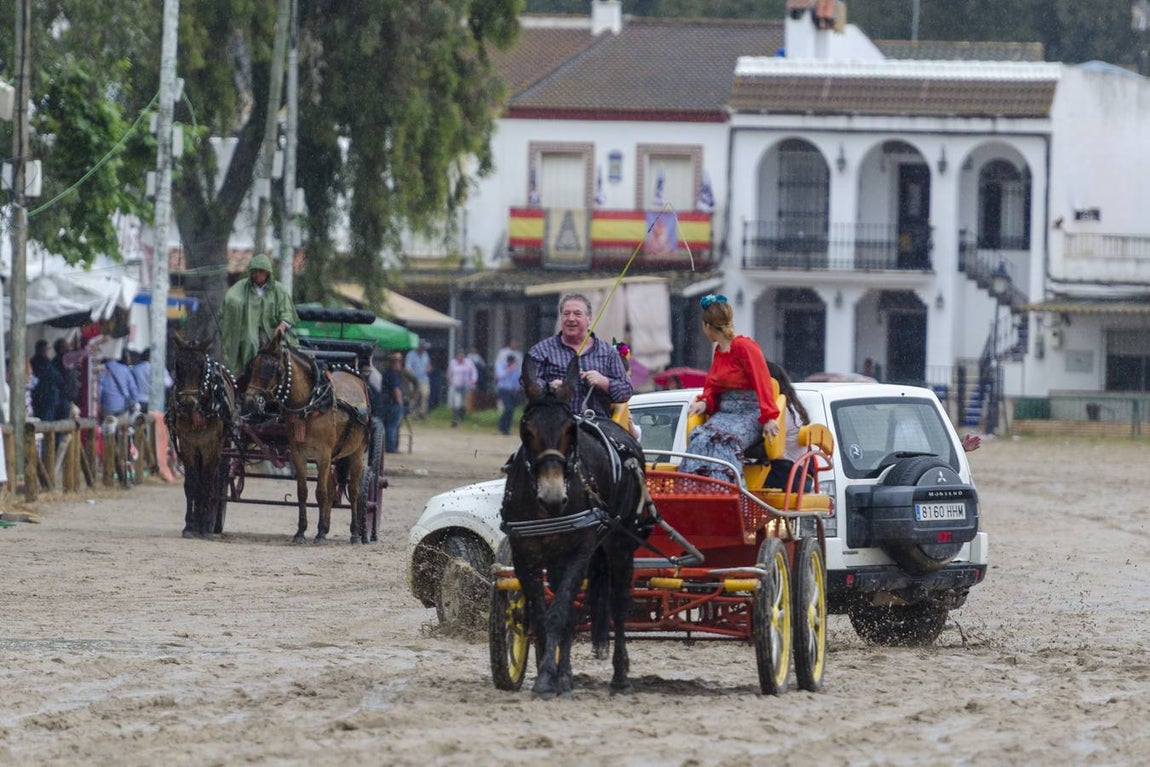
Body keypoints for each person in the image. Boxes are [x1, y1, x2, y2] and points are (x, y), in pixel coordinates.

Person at [679, 293, 780, 482]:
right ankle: (696, 491)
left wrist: (768, 416)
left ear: (707, 326)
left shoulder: (744, 347)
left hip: (750, 412)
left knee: (725, 442)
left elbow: (762, 380)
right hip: (726, 413)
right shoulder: (719, 351)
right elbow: (712, 384)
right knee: (700, 439)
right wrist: (705, 402)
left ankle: (729, 492)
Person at [526, 293, 632, 419]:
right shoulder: (541, 351)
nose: (571, 318)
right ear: (560, 318)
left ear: (589, 319)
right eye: (566, 314)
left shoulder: (608, 352)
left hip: (599, 425)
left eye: (577, 314)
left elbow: (626, 391)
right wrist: (550, 388)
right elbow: (527, 384)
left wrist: (604, 382)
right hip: (554, 426)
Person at [219, 252, 299, 378]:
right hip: (248, 329)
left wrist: (282, 326)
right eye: (254, 271)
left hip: (273, 331)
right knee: (250, 341)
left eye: (261, 271)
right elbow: (231, 300)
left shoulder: (279, 290)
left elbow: (287, 313)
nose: (257, 274)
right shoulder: (243, 287)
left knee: (278, 349)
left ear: (267, 272)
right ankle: (247, 375)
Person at [764, 360, 812, 493]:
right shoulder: (790, 407)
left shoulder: (782, 411)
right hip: (787, 475)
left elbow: (762, 446)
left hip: (786, 477)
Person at [29, 339, 65, 422]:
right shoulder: (42, 363)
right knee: (46, 422)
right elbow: (56, 377)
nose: (46, 351)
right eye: (45, 349)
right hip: (45, 397)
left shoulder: (42, 362)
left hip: (46, 397)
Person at [129, 349, 172, 413]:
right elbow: (168, 383)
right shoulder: (160, 368)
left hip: (138, 401)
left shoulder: (134, 368)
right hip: (155, 403)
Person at [98, 353, 139, 420]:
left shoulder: (102, 370)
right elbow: (133, 388)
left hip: (107, 406)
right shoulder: (125, 369)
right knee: (123, 426)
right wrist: (135, 401)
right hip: (123, 406)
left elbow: (100, 389)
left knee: (108, 429)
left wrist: (99, 405)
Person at [381, 352, 406, 452]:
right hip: (393, 403)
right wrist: (400, 404)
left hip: (386, 403)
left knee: (389, 425)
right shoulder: (393, 374)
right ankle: (391, 447)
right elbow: (396, 390)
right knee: (392, 426)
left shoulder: (387, 372)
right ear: (394, 362)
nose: (400, 364)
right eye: (398, 362)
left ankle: (389, 446)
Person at [446, 347, 478, 427]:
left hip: (466, 385)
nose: (461, 357)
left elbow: (474, 372)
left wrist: (473, 381)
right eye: (459, 356)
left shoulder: (468, 362)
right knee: (457, 403)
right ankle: (454, 420)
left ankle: (462, 417)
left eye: (462, 356)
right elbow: (449, 373)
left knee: (463, 404)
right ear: (456, 356)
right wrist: (449, 381)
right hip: (455, 385)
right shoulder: (452, 363)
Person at [496, 353, 521, 436]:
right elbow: (500, 376)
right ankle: (502, 426)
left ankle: (506, 428)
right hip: (503, 389)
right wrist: (509, 370)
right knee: (508, 408)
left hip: (512, 391)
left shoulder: (516, 369)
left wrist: (517, 389)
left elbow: (517, 380)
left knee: (511, 409)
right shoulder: (502, 366)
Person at [405, 342, 432, 419]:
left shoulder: (426, 354)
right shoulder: (411, 354)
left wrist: (429, 368)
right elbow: (408, 368)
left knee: (425, 394)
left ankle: (422, 413)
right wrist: (412, 376)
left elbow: (429, 365)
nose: (423, 349)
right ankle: (411, 413)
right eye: (422, 347)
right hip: (414, 379)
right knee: (413, 396)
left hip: (424, 379)